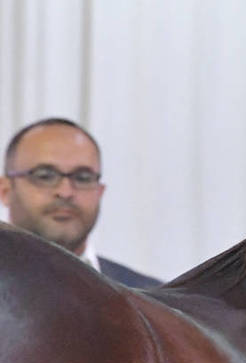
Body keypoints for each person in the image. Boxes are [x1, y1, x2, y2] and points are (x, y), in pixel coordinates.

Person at [1, 118, 159, 288]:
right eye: (45, 176)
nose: (66, 192)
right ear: (5, 190)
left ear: (100, 192)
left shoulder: (151, 301)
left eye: (83, 178)